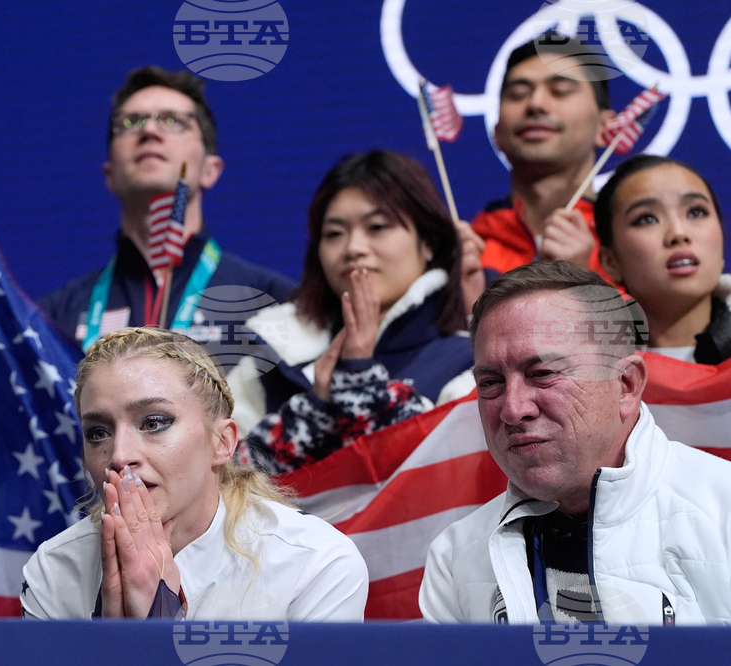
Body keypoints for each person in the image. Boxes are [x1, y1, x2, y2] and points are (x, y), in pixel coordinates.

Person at [0, 65, 295, 484]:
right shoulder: (55, 319)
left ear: (211, 168)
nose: (149, 131)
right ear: (109, 174)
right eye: (130, 123)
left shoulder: (270, 305)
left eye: (173, 121)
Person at [419, 261, 731, 624]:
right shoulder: (454, 559)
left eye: (542, 373)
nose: (513, 409)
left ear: (626, 385)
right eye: (490, 383)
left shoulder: (723, 510)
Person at [20, 327, 368, 620]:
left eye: (154, 422)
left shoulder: (315, 563)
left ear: (222, 442)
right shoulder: (54, 571)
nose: (120, 456)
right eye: (98, 432)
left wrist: (156, 628)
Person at [227, 150, 474, 474]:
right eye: (334, 234)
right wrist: (313, 411)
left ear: (428, 242)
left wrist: (361, 378)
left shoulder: (470, 361)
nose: (354, 248)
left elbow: (444, 481)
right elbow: (221, 478)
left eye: (377, 227)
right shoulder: (275, 356)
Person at [462, 33, 618, 311]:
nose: (536, 104)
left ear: (605, 127)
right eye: (518, 95)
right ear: (496, 132)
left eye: (560, 90)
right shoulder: (466, 252)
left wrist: (585, 286)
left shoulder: (627, 244)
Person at [595, 154, 730, 365]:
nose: (678, 233)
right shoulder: (580, 370)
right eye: (647, 218)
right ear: (610, 262)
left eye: (696, 212)